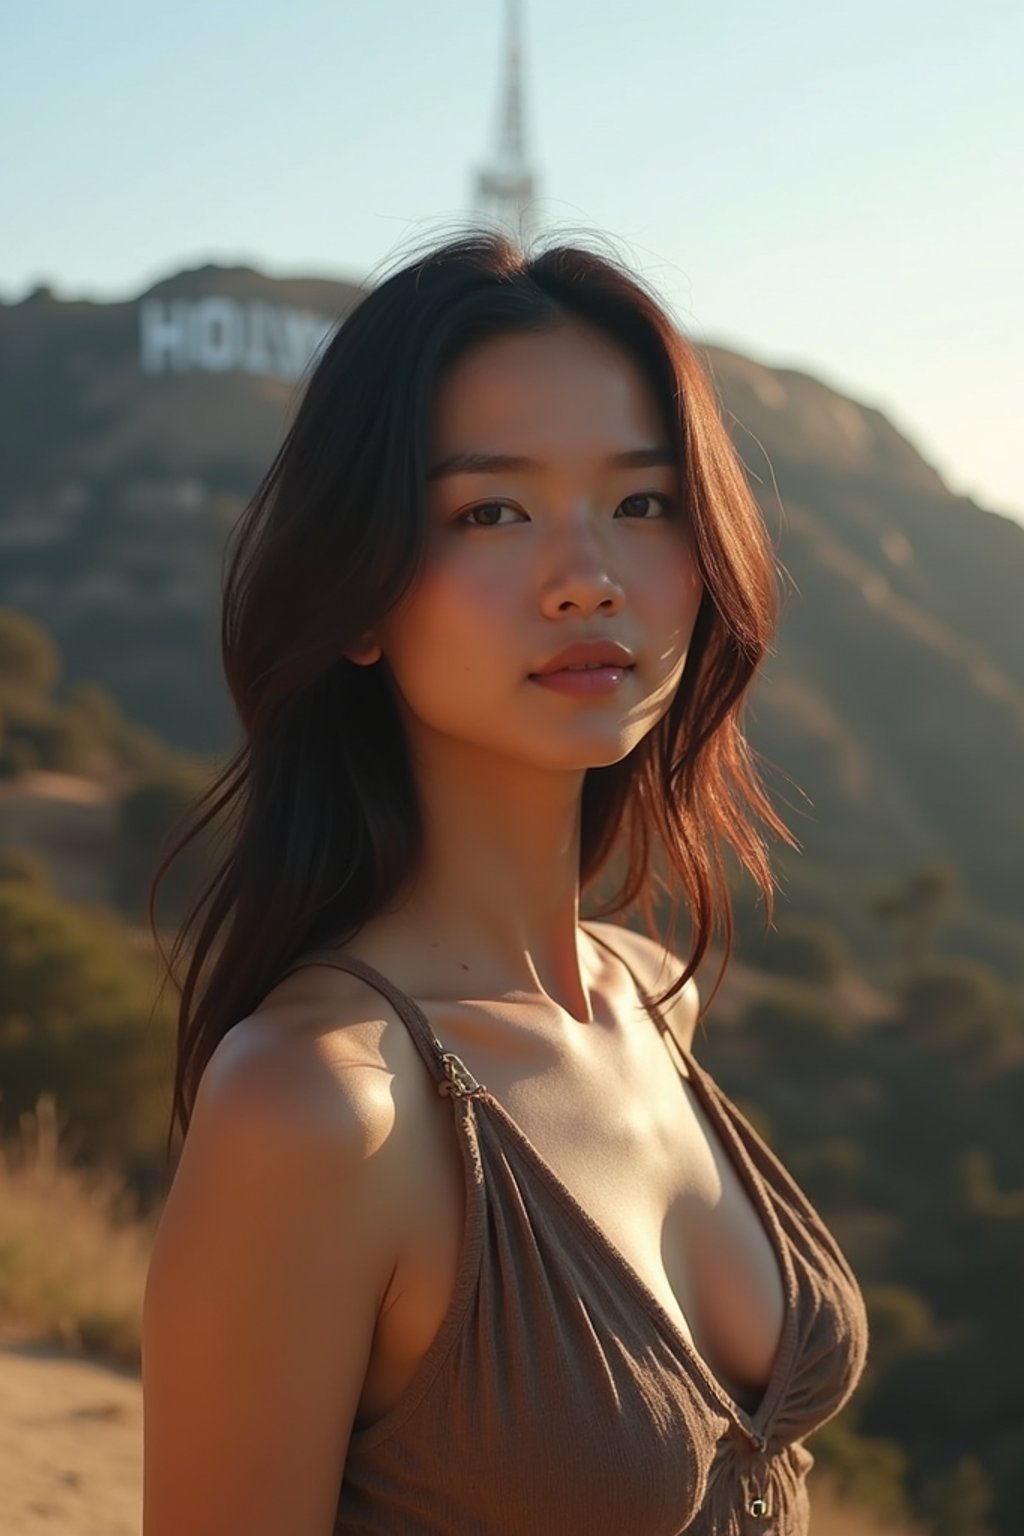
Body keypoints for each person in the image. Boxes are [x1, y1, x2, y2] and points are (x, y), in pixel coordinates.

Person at [141, 227, 868, 1534]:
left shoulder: (654, 998)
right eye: (491, 511)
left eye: (644, 503)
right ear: (357, 595)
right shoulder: (319, 1109)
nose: (589, 578)